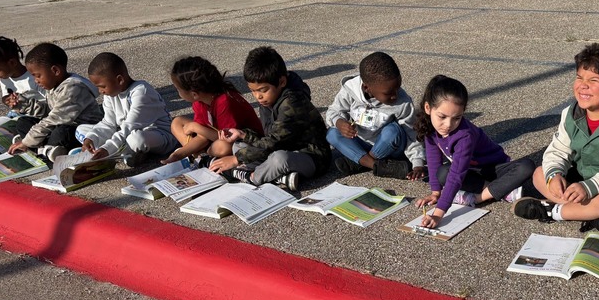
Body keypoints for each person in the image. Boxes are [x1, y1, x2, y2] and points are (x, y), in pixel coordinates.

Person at [511, 42, 599, 238]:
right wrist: (555, 175)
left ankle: (553, 211)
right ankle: (591, 214)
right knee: (540, 174)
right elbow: (558, 150)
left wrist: (590, 187)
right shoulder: (571, 114)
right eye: (579, 77)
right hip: (582, 179)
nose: (583, 85)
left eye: (594, 80)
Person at [414, 75, 534, 229]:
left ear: (463, 113)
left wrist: (438, 214)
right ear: (428, 108)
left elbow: (457, 175)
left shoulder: (465, 135)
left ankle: (478, 198)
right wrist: (436, 193)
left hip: (494, 170)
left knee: (526, 166)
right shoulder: (430, 127)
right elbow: (433, 159)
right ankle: (502, 190)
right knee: (442, 173)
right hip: (470, 171)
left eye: (457, 118)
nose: (448, 124)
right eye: (442, 117)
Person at [212, 46, 330, 192]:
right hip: (281, 147)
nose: (258, 96)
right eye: (253, 91)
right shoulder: (269, 99)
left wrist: (236, 159)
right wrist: (242, 135)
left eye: (263, 90)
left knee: (279, 159)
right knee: (239, 145)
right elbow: (268, 138)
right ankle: (279, 178)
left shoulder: (292, 102)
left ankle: (249, 177)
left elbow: (273, 142)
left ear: (282, 82)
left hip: (311, 157)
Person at [325, 52, 425, 180]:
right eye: (388, 93)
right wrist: (340, 122)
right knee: (332, 133)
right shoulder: (349, 90)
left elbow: (412, 133)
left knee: (392, 131)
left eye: (398, 88)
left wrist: (418, 163)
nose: (395, 95)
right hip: (361, 142)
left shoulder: (403, 101)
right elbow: (333, 111)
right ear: (367, 88)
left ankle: (361, 162)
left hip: (390, 147)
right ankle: (376, 166)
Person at [7, 42, 103, 163]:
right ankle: (46, 149)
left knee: (62, 132)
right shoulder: (53, 86)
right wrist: (24, 105)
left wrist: (27, 141)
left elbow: (54, 119)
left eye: (38, 76)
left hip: (82, 130)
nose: (36, 81)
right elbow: (49, 111)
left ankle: (41, 149)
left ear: (55, 71)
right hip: (60, 123)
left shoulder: (73, 88)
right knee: (23, 122)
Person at [74, 52, 176, 164]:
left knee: (136, 139)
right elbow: (108, 123)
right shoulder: (111, 94)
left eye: (102, 86)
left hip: (157, 134)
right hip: (125, 132)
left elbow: (129, 127)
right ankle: (113, 151)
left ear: (119, 80)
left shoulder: (142, 92)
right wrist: (91, 139)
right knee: (81, 130)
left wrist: (107, 148)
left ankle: (121, 153)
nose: (100, 91)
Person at [163, 56, 262, 164]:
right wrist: (178, 155)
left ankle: (202, 156)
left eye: (178, 89)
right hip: (214, 136)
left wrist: (196, 127)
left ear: (194, 94)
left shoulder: (224, 101)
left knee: (222, 147)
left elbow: (226, 137)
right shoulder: (200, 102)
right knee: (177, 122)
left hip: (244, 140)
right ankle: (197, 155)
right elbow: (202, 136)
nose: (178, 92)